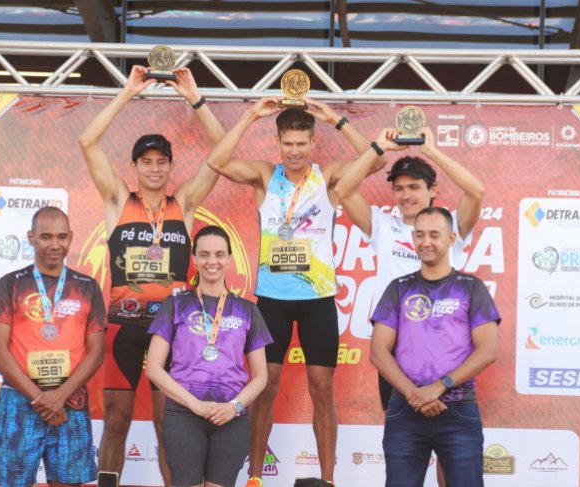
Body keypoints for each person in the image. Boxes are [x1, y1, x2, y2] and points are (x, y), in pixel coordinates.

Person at [206, 97, 384, 486]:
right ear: (278, 141)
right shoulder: (265, 177)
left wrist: (333, 117)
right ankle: (255, 477)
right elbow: (217, 162)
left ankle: (328, 480)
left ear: (313, 142)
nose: (295, 150)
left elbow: (377, 160)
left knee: (322, 389)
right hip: (272, 302)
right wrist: (252, 114)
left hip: (318, 301)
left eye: (302, 142)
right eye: (288, 142)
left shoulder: (331, 177)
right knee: (264, 388)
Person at [79, 65, 226, 486]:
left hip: (173, 330)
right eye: (147, 162)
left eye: (162, 162)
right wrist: (128, 93)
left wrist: (193, 97)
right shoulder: (116, 201)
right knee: (117, 421)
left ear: (170, 166)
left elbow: (222, 148)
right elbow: (88, 141)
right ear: (136, 165)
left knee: (169, 426)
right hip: (123, 324)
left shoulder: (186, 203)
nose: (155, 169)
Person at [335, 127, 484, 485]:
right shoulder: (383, 226)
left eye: (415, 187)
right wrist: (379, 146)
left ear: (433, 190)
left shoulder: (448, 229)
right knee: (408, 445)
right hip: (397, 357)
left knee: (452, 452)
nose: (405, 195)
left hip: (448, 352)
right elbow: (342, 190)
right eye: (399, 188)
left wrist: (432, 150)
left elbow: (476, 191)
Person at [370, 207, 500, 487]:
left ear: (451, 238)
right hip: (405, 410)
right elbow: (378, 351)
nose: (425, 242)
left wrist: (439, 386)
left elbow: (488, 350)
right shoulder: (398, 288)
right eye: (419, 235)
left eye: (434, 235)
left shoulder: (471, 288)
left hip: (458, 411)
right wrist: (414, 394)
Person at [0, 207, 106, 487]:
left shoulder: (87, 287)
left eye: (62, 237)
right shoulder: (10, 285)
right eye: (46, 237)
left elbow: (96, 351)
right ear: (31, 237)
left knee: (69, 482)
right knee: (11, 482)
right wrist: (42, 398)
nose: (55, 244)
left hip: (70, 401)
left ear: (71, 238)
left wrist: (60, 395)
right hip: (19, 400)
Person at [146, 225, 272, 487]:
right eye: (204, 254)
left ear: (229, 259)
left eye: (219, 254)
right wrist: (194, 405)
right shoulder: (175, 305)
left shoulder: (248, 310)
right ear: (194, 259)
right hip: (184, 415)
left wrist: (234, 407)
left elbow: (261, 377)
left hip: (232, 418)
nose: (211, 261)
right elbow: (154, 369)